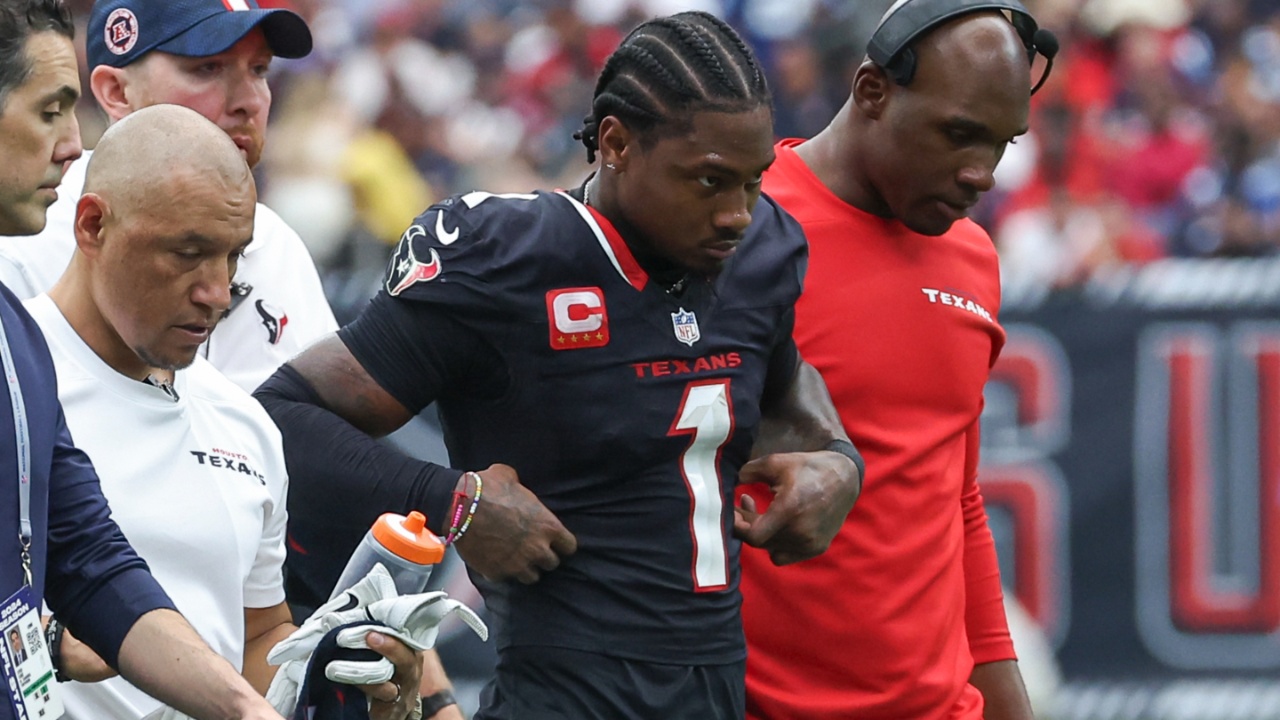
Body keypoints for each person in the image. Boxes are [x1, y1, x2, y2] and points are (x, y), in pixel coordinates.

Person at [255, 10, 862, 720]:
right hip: (560, 695)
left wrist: (839, 461)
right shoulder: (508, 259)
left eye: (754, 183)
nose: (737, 214)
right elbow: (281, 417)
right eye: (709, 181)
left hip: (722, 693)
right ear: (617, 144)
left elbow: (778, 373)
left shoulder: (761, 251)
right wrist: (454, 502)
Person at [28, 103, 425, 720]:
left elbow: (258, 637)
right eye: (188, 252)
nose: (218, 292)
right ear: (92, 225)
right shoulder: (17, 378)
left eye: (234, 255)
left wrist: (351, 677)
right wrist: (48, 641)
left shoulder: (245, 423)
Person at [737, 3, 1048, 719]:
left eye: (1002, 144)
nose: (982, 174)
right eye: (959, 134)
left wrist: (1007, 705)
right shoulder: (735, 230)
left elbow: (955, 501)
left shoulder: (973, 258)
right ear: (872, 91)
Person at [0, 3, 298, 719]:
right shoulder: (36, 340)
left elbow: (90, 561)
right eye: (50, 111)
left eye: (232, 258)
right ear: (94, 227)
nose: (74, 144)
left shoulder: (15, 344)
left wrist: (258, 708)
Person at [0, 0, 336, 394]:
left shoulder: (276, 244)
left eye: (259, 69)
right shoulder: (27, 239)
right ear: (117, 92)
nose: (250, 101)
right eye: (208, 68)